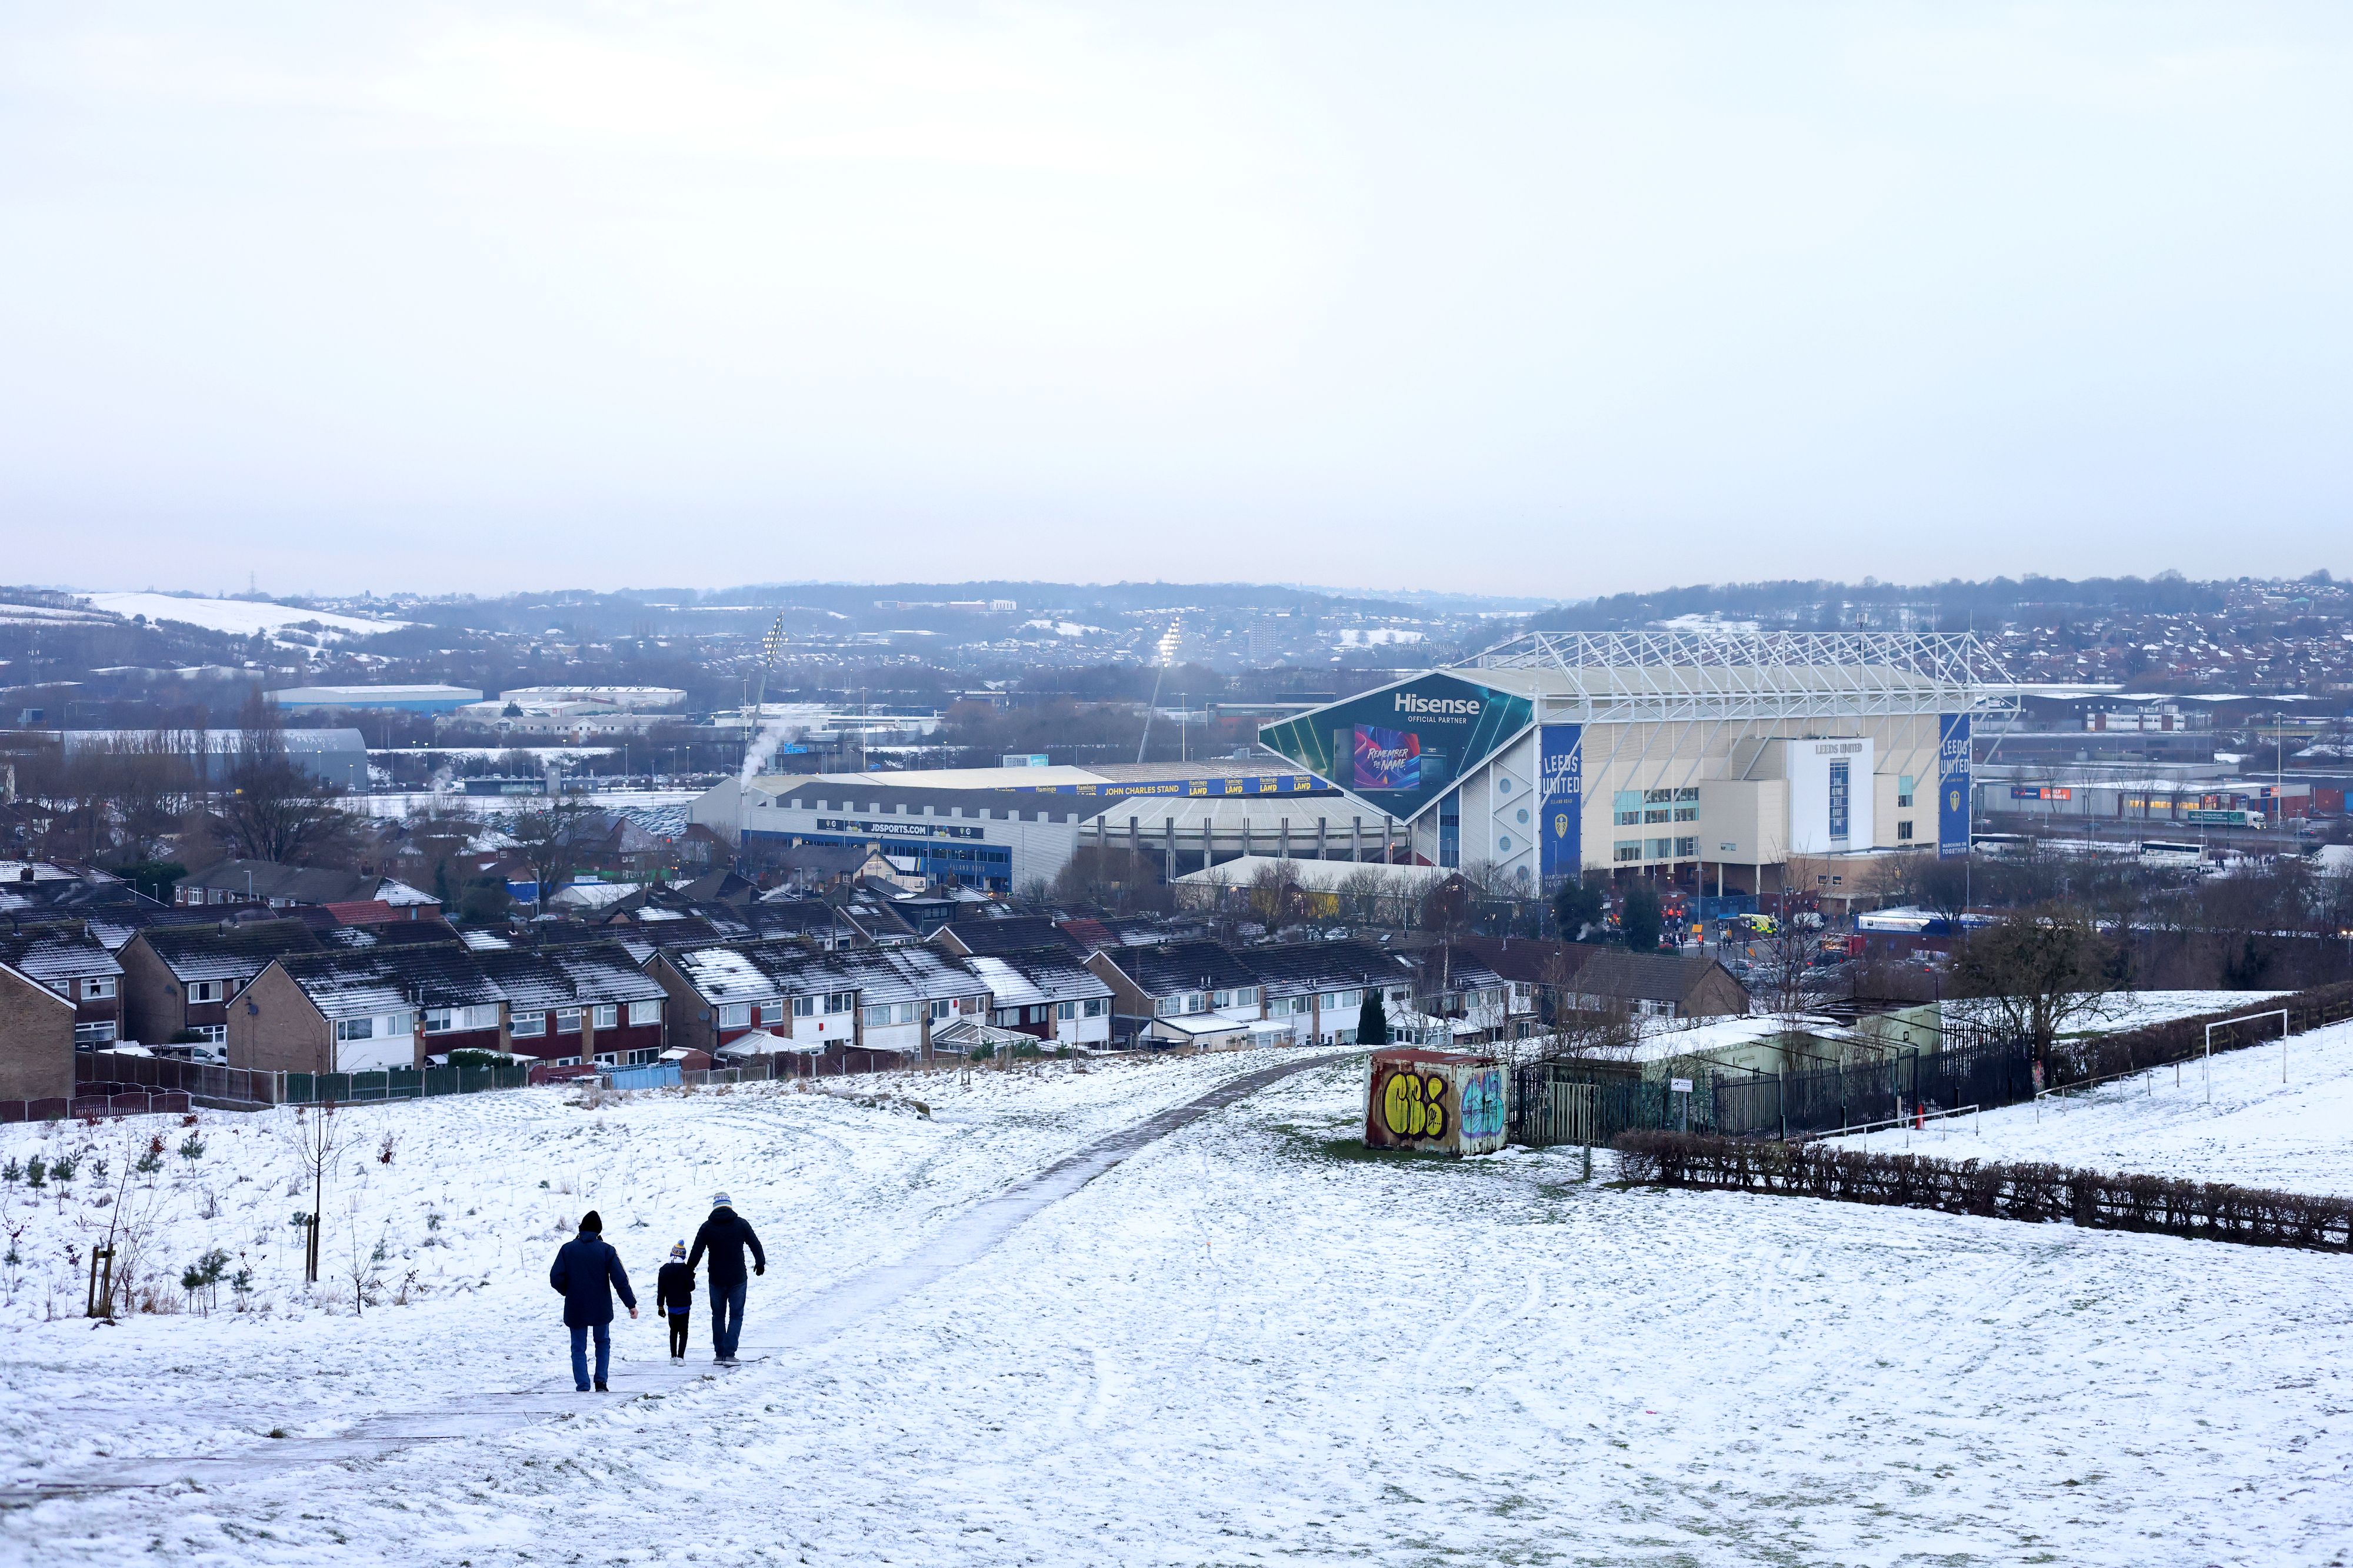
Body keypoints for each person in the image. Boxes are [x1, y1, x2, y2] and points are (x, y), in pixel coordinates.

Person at [548, 1209, 637, 1392]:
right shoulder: (607, 1251)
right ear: (599, 1231)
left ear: (581, 1230)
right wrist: (631, 1305)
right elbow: (620, 1280)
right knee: (603, 1342)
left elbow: (555, 1278)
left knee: (578, 1348)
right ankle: (601, 1382)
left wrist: (568, 1291)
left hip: (576, 1307)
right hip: (601, 1307)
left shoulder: (567, 1250)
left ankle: (582, 1385)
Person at [686, 1191, 765, 1364]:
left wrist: (689, 1271)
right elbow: (755, 1244)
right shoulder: (741, 1224)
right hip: (738, 1278)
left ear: (715, 1207)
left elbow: (696, 1252)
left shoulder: (707, 1227)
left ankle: (719, 1354)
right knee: (736, 1316)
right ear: (730, 1205)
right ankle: (729, 1354)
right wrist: (760, 1263)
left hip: (716, 1278)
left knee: (718, 1315)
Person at [654, 1240, 695, 1363]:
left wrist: (660, 1306)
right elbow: (691, 1287)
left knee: (673, 1331)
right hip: (684, 1306)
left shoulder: (664, 1270)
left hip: (671, 1307)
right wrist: (691, 1277)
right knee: (684, 1332)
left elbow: (661, 1290)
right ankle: (681, 1357)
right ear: (683, 1256)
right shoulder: (685, 1269)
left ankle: (673, 1357)